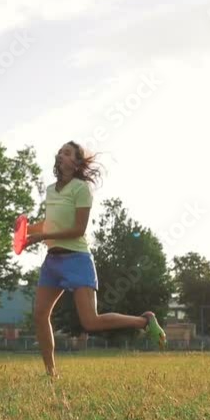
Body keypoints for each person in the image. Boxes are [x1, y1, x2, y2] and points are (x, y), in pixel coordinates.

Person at [26, 141, 166, 377]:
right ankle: (51, 374)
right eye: (60, 151)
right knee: (40, 315)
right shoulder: (51, 190)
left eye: (67, 153)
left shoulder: (81, 188)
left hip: (77, 260)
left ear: (77, 163)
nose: (61, 155)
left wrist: (43, 235)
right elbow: (52, 222)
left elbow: (78, 229)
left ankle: (144, 321)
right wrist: (27, 230)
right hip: (53, 261)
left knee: (90, 322)